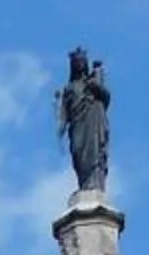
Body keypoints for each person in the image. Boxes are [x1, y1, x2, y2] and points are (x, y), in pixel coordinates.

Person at [59, 48, 111, 194]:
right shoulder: (69, 88)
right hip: (77, 125)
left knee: (95, 152)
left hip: (94, 121)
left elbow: (106, 98)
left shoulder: (93, 81)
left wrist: (97, 87)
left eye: (82, 62)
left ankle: (95, 185)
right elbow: (64, 111)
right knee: (78, 152)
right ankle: (84, 185)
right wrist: (61, 124)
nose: (79, 65)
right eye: (76, 62)